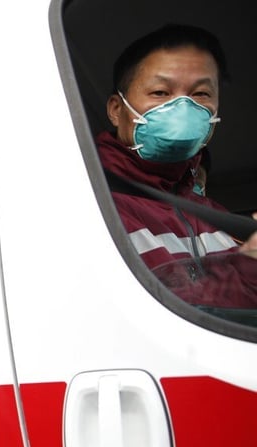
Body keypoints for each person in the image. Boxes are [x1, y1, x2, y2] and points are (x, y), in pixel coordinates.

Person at [97, 24, 257, 308]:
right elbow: (149, 313)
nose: (183, 109)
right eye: (160, 92)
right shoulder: (94, 206)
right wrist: (249, 266)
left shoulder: (215, 216)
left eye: (200, 95)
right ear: (116, 109)